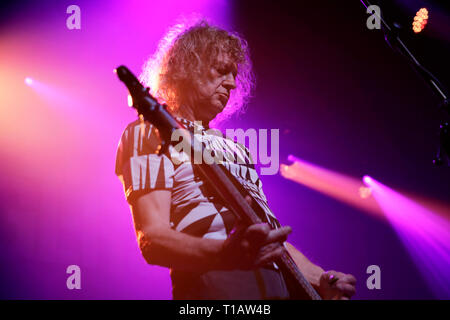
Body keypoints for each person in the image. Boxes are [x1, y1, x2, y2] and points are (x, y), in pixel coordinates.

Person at [115, 20, 356, 299]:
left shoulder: (237, 149)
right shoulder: (148, 132)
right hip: (214, 283)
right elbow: (152, 239)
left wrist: (318, 277)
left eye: (233, 74)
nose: (231, 83)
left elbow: (268, 234)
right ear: (187, 69)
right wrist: (225, 255)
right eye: (221, 71)